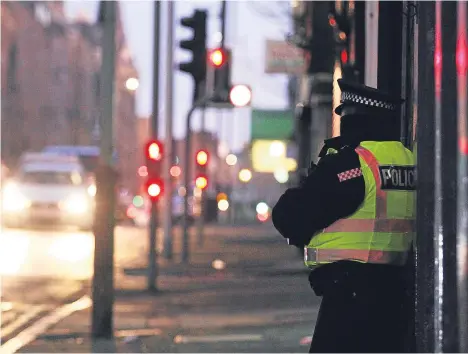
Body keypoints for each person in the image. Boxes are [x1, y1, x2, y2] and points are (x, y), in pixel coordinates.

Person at [272, 79, 416, 353]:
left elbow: (291, 214)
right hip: (397, 291)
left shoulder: (354, 164)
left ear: (353, 118)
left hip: (351, 293)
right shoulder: (407, 158)